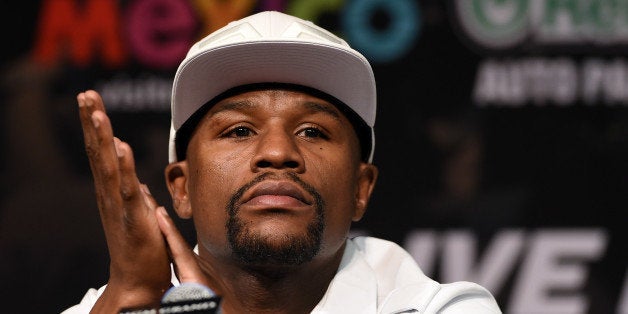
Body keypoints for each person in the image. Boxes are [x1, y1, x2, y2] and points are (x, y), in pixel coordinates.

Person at [63, 11, 501, 314]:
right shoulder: (110, 308)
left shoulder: (436, 307)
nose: (278, 153)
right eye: (238, 130)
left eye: (313, 131)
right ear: (181, 187)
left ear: (359, 189)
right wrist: (134, 301)